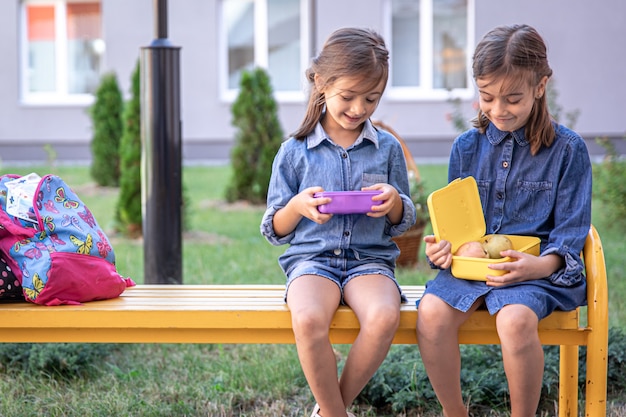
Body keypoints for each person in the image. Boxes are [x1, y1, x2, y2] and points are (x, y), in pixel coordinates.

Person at [416, 24, 592, 417]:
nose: (498, 110)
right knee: (429, 314)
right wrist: (447, 249)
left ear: (540, 86)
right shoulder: (466, 147)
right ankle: (454, 412)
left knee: (513, 321)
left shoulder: (568, 151)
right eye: (486, 97)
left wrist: (539, 265)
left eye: (512, 98)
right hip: (470, 269)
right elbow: (456, 228)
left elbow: (569, 234)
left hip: (534, 274)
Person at [260, 27, 416, 417]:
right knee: (309, 319)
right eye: (348, 96)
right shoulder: (294, 152)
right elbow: (273, 229)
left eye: (371, 99)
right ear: (320, 83)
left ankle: (331, 409)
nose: (359, 108)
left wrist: (395, 203)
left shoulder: (388, 148)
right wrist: (297, 206)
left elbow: (402, 222)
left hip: (369, 261)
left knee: (384, 317)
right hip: (312, 262)